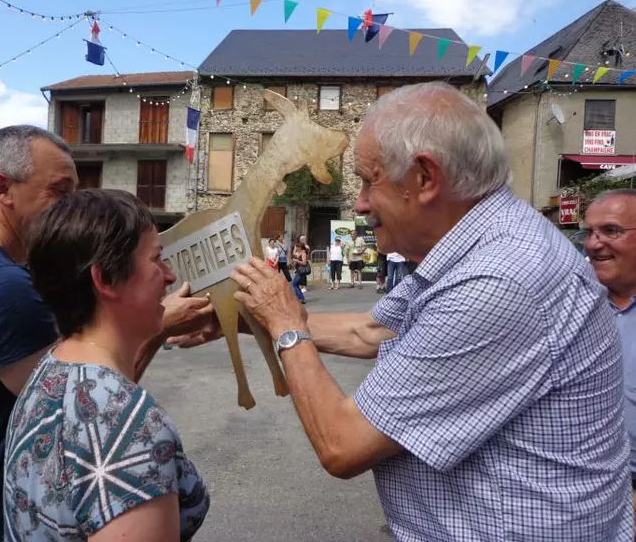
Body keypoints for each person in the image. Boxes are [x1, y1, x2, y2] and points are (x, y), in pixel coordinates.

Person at [170, 82, 633, 540]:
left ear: (425, 178)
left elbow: (343, 444)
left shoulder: (500, 278)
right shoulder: (480, 244)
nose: (360, 204)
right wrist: (252, 321)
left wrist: (287, 326)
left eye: (370, 180)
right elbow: (370, 331)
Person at [0, 126, 211, 541]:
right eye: (60, 192)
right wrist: (156, 323)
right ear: (2, 188)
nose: (71, 208)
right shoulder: (0, 286)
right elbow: (85, 405)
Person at [5, 189, 209, 541]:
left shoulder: (48, 373)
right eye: (157, 259)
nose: (170, 276)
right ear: (104, 279)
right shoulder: (128, 426)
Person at [583, 189, 636, 529]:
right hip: (576, 491)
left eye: (611, 231)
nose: (593, 243)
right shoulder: (571, 300)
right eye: (589, 232)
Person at [291, 238, 308, 304]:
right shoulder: (299, 253)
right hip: (299, 270)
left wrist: (296, 261)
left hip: (301, 271)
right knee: (296, 284)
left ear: (300, 247)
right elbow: (294, 253)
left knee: (294, 284)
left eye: (297, 247)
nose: (296, 248)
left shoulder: (303, 253)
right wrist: (296, 245)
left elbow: (304, 263)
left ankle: (301, 298)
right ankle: (301, 298)